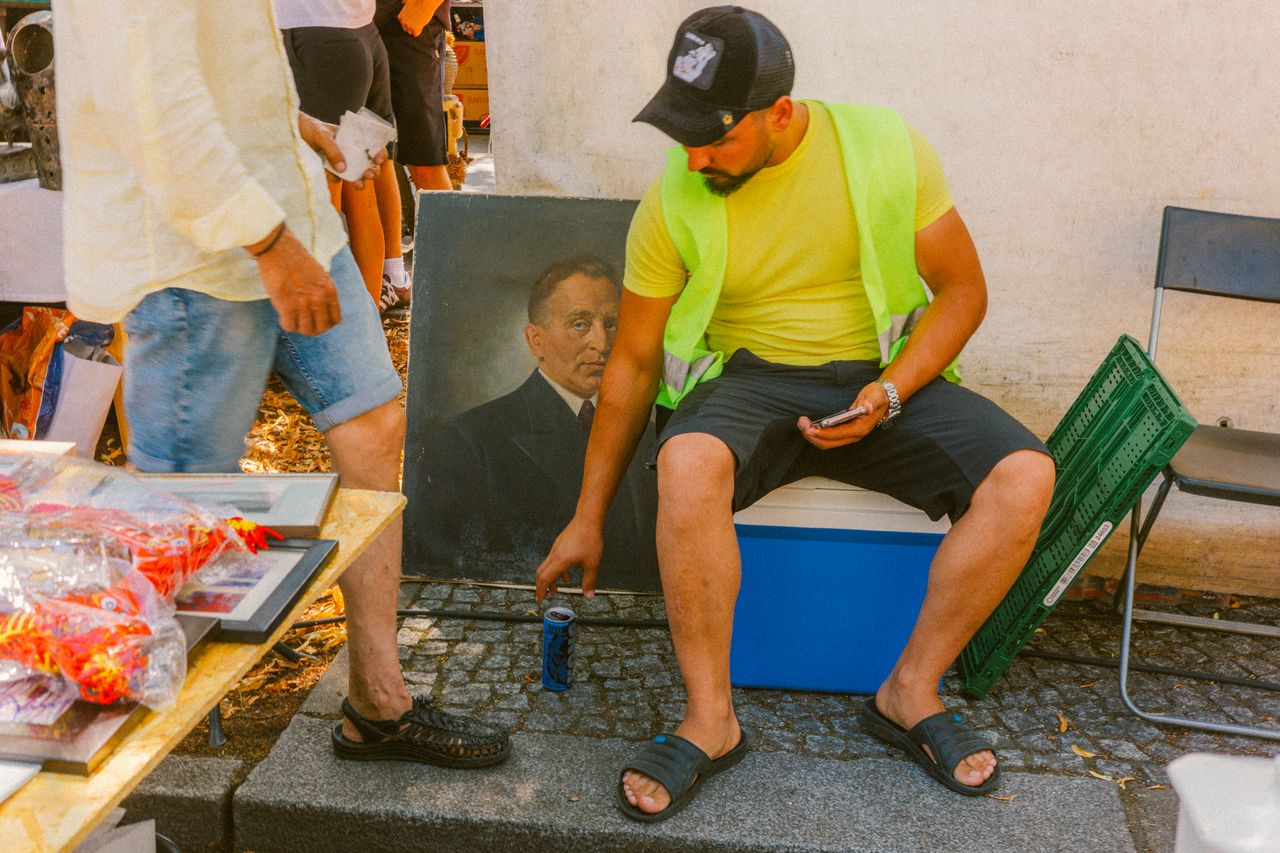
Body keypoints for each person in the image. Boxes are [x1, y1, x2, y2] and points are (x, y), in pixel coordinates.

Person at [535, 5, 1056, 819]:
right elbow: (634, 363)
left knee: (1026, 475)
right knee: (686, 457)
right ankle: (711, 720)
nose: (695, 155)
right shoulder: (674, 194)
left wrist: (889, 392)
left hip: (881, 380)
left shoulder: (889, 148)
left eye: (715, 135)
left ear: (779, 112)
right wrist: (586, 515)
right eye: (682, 133)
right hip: (750, 381)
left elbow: (965, 290)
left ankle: (909, 691)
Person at [56, 0, 509, 768]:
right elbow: (152, 102)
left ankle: (378, 701)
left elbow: (218, 70)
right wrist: (269, 243)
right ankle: (135, 764)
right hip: (197, 252)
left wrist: (301, 130)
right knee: (182, 511)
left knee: (371, 426)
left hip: (282, 214)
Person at [414, 257, 660, 589]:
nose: (601, 343)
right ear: (535, 341)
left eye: (612, 323)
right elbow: (448, 574)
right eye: (579, 324)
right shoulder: (469, 441)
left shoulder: (654, 433)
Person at [274, 0, 412, 313]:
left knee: (326, 199)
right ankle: (365, 330)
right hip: (360, 34)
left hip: (316, 37)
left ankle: (340, 332)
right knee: (359, 190)